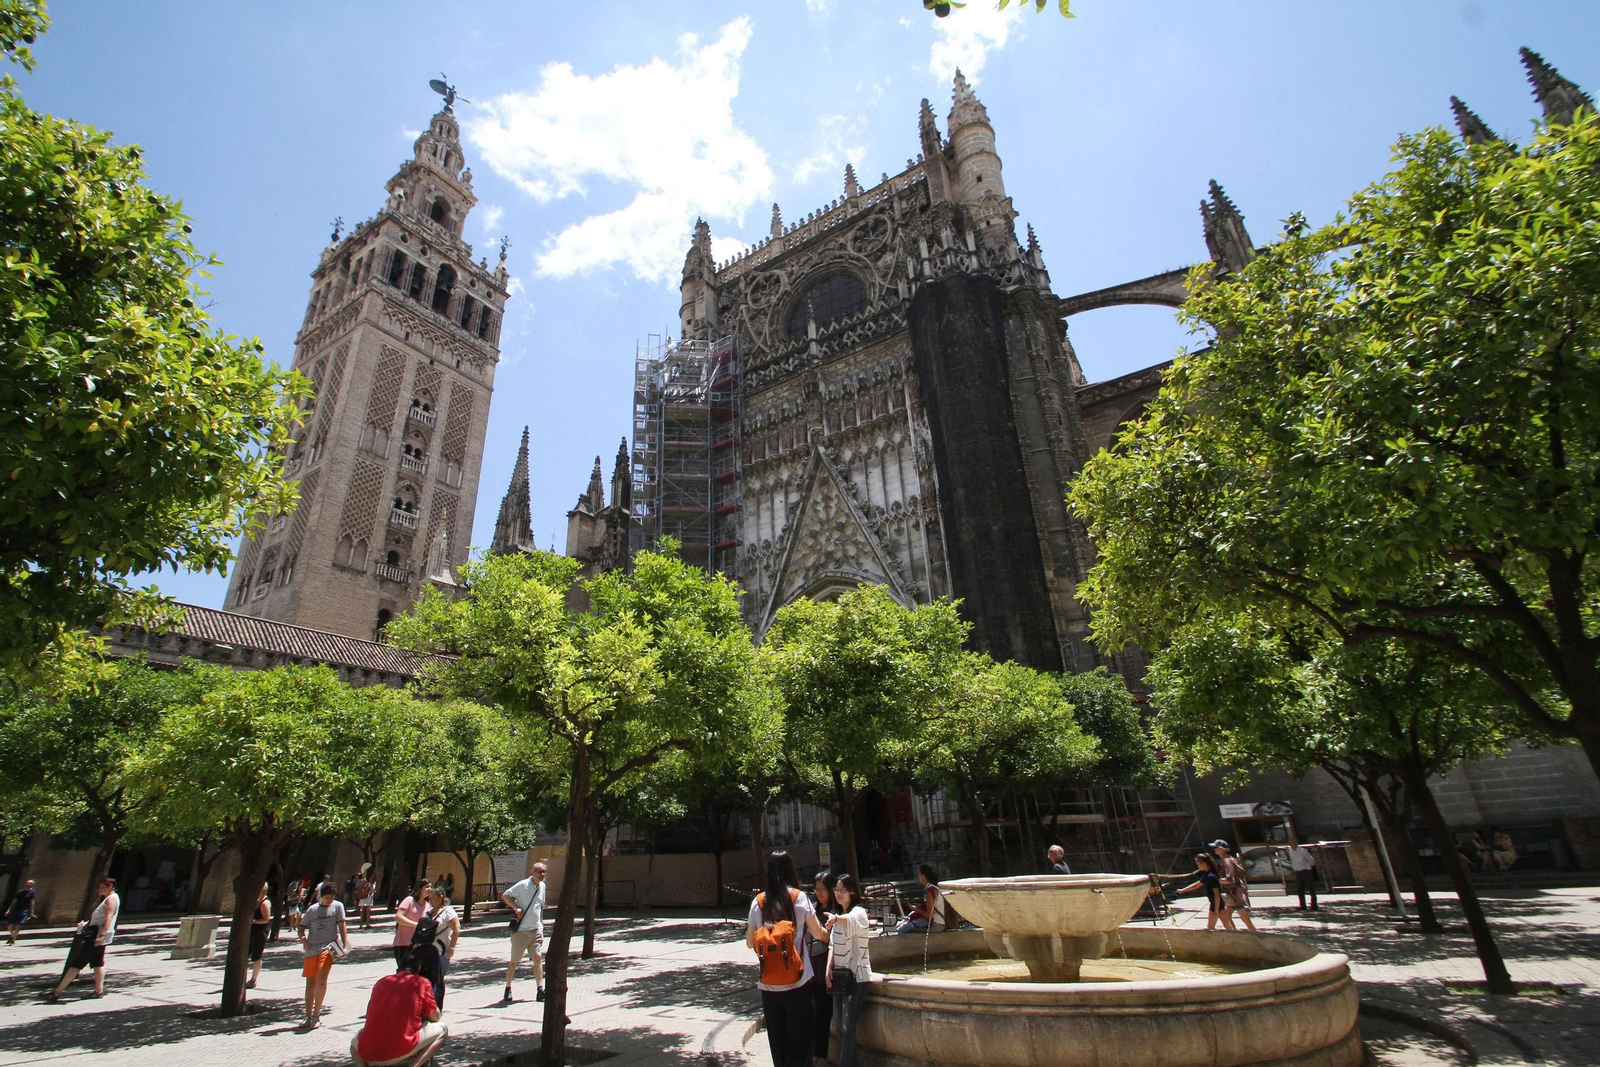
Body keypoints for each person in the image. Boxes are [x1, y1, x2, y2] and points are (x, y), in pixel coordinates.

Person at [746, 850, 829, 1067]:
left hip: (769, 984)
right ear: (790, 870)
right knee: (801, 1044)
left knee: (778, 1044)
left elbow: (749, 941)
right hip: (799, 981)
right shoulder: (798, 898)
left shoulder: (759, 902)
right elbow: (818, 933)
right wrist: (831, 934)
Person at [351, 952, 449, 1067]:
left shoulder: (381, 982)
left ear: (398, 969)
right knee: (443, 1030)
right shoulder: (421, 983)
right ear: (418, 969)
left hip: (369, 1052)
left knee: (354, 1044)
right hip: (403, 1046)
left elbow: (369, 1015)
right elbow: (435, 1017)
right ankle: (414, 1065)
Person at [825, 873, 873, 1067]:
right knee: (839, 1025)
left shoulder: (858, 913)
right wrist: (828, 967)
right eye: (836, 890)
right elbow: (832, 946)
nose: (838, 893)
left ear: (852, 891)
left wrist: (836, 918)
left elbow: (850, 921)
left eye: (842, 890)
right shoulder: (838, 919)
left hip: (857, 978)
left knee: (847, 1026)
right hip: (839, 978)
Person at [50, 877, 119, 1000]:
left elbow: (108, 918)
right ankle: (98, 991)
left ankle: (56, 992)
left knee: (77, 964)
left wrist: (101, 936)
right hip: (100, 936)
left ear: (110, 887)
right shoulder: (110, 898)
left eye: (102, 887)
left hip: (96, 937)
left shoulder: (110, 900)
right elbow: (101, 918)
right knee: (98, 963)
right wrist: (86, 924)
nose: (99, 889)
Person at [299, 882, 349, 1029]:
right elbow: (301, 928)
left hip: (328, 947)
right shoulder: (312, 910)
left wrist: (345, 946)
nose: (329, 900)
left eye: (331, 897)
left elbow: (342, 926)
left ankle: (316, 1014)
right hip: (312, 948)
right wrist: (304, 941)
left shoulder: (338, 907)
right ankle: (307, 1015)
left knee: (321, 979)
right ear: (321, 896)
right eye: (327, 897)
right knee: (311, 982)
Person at [500, 862, 548, 1003]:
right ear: (533, 872)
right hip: (521, 932)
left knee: (538, 958)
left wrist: (541, 926)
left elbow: (540, 906)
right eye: (540, 872)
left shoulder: (543, 886)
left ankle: (540, 989)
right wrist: (516, 908)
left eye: (544, 872)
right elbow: (505, 896)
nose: (542, 874)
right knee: (514, 962)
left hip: (536, 930)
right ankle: (508, 988)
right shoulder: (522, 885)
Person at [806, 870, 838, 1065]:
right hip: (811, 964)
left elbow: (827, 937)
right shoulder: (812, 909)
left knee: (823, 1012)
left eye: (823, 889)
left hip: (826, 964)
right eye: (816, 889)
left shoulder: (836, 912)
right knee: (812, 1011)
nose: (819, 893)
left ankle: (818, 1055)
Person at [418, 885, 460, 1010]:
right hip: (426, 950)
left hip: (440, 951)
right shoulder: (428, 913)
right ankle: (424, 1006)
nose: (430, 901)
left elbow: (456, 928)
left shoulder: (447, 911)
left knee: (437, 979)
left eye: (433, 898)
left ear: (441, 897)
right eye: (429, 898)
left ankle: (435, 1008)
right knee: (425, 979)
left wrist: (452, 948)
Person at [1209, 840, 1257, 932]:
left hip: (1236, 895)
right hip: (1232, 894)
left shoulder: (1227, 861)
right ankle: (1235, 936)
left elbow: (1230, 879)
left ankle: (1258, 940)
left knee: (1246, 921)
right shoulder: (1227, 860)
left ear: (1221, 849)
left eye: (1216, 847)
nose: (1214, 849)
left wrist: (1216, 881)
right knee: (1227, 917)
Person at [1176, 854, 1229, 930]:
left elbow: (1217, 895)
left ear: (1204, 863)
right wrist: (1183, 890)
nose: (1198, 866)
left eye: (1198, 864)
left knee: (1211, 928)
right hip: (1216, 903)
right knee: (1226, 925)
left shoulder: (1211, 876)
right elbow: (1197, 884)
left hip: (1216, 904)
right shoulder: (1207, 874)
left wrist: (1216, 910)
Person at [393, 878, 432, 967]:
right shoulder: (409, 900)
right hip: (403, 944)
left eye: (431, 887)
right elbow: (398, 917)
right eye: (427, 887)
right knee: (404, 972)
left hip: (418, 946)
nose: (429, 889)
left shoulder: (428, 905)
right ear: (420, 888)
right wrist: (415, 924)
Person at [895, 865, 942, 935]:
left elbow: (929, 915)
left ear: (923, 876)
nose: (918, 877)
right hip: (939, 921)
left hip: (937, 924)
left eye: (919, 874)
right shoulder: (935, 888)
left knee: (902, 930)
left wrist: (916, 909)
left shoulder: (930, 891)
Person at [247, 881, 273, 989]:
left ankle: (253, 980)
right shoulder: (256, 900)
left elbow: (266, 919)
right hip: (252, 930)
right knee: (245, 953)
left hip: (260, 931)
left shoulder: (264, 903)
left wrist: (253, 921)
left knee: (256, 956)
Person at [1283, 842, 1318, 911]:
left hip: (1306, 870)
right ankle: (1302, 905)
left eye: (1293, 844)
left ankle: (1314, 905)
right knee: (1300, 889)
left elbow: (1311, 859)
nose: (1292, 845)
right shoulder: (1290, 851)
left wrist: (1309, 865)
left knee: (1311, 888)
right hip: (1297, 871)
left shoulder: (1302, 851)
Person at [6, 878, 36, 945]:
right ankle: (12, 936)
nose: (28, 884)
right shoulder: (20, 892)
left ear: (32, 885)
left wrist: (31, 912)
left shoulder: (32, 892)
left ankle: (13, 940)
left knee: (18, 925)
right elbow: (14, 901)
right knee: (10, 925)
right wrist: (9, 909)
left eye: (30, 883)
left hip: (24, 910)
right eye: (27, 883)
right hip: (16, 910)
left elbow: (32, 902)